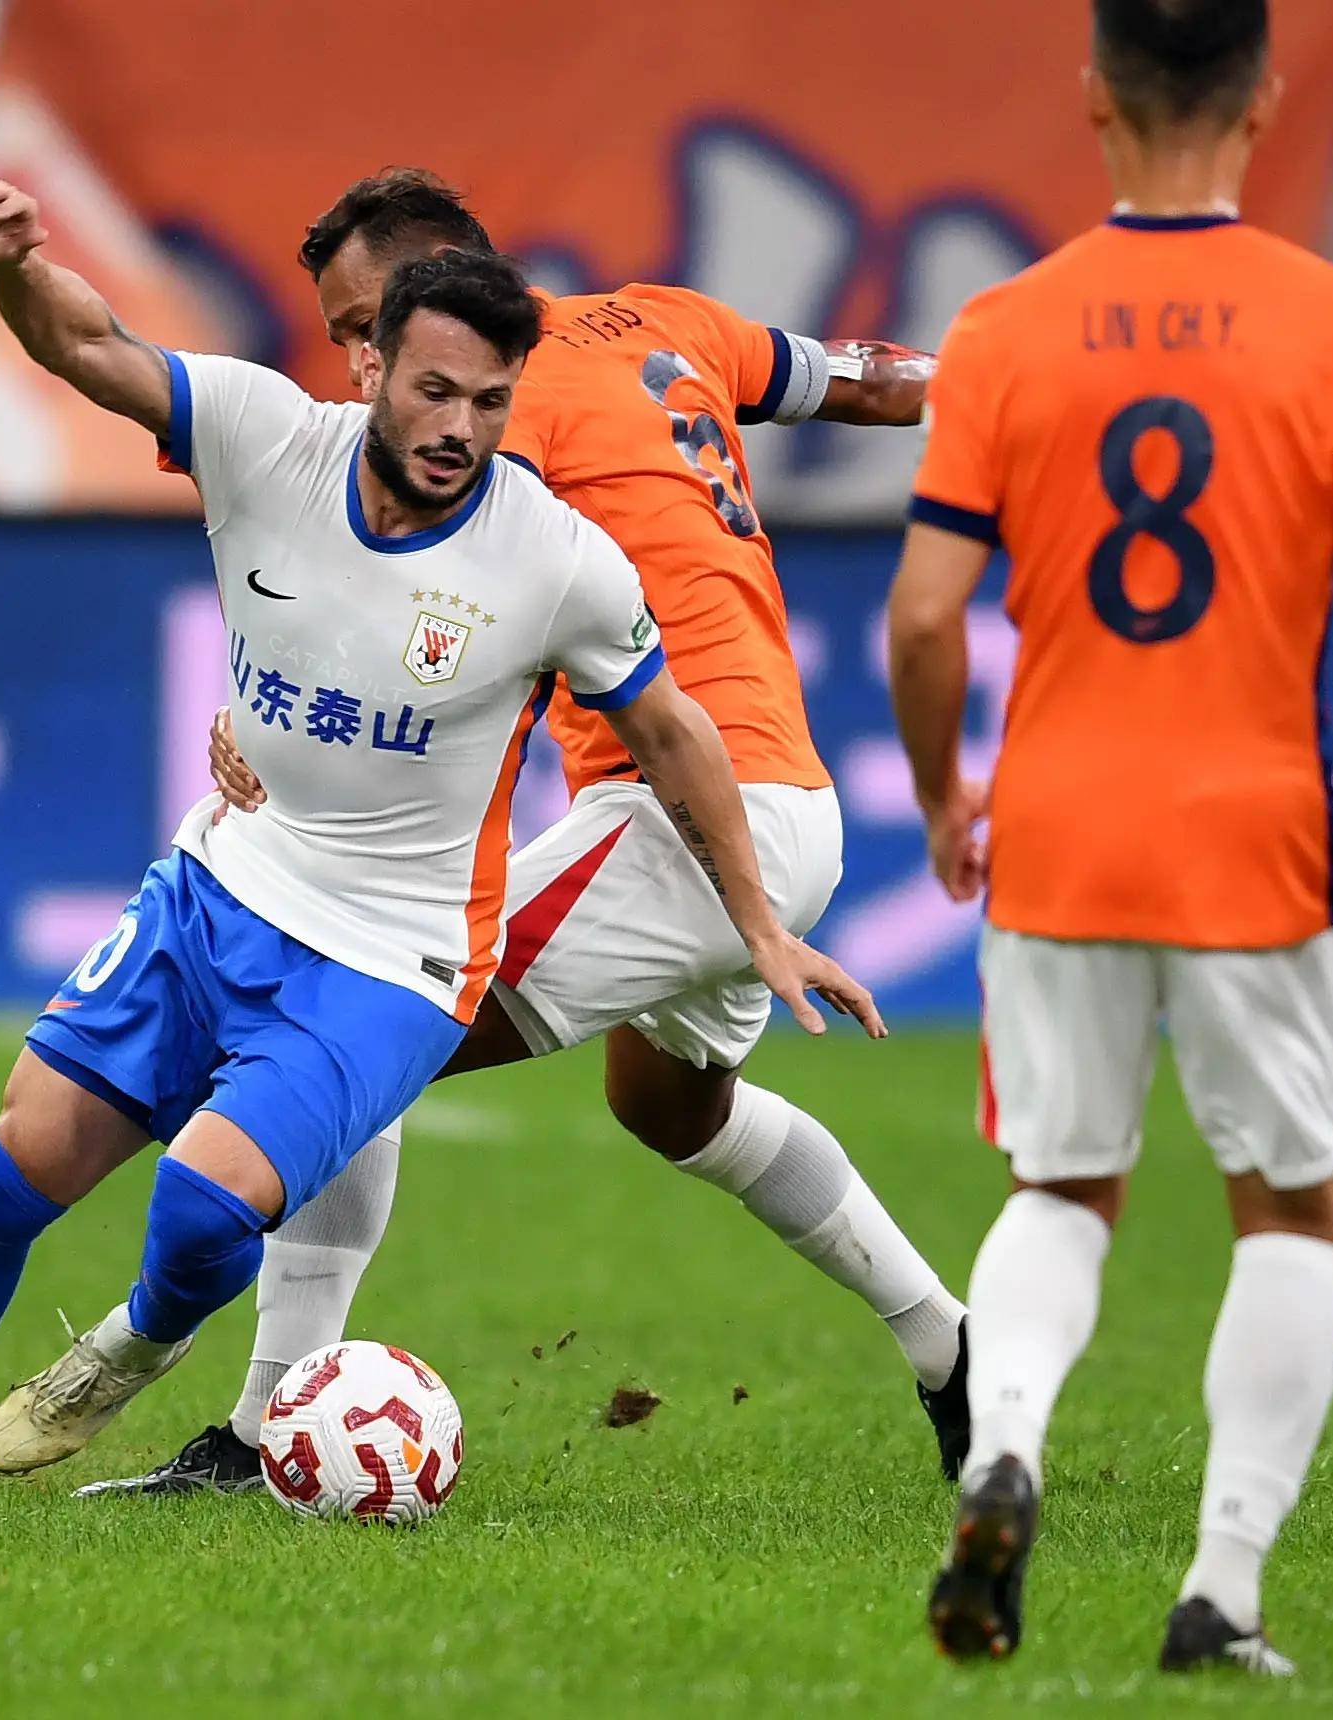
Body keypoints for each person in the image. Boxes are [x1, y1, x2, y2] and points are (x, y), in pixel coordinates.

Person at [0, 171, 879, 1499]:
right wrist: (13, 266)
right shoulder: (264, 437)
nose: (459, 429)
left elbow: (675, 732)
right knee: (15, 1165)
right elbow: (85, 343)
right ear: (371, 365)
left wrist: (760, 923)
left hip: (391, 959)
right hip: (221, 889)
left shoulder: (559, 557)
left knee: (203, 1206)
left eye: (490, 403)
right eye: (434, 391)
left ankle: (142, 1341)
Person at [81, 170, 972, 1500]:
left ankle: (263, 1430)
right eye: (350, 339)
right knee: (669, 1107)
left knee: (361, 1015)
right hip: (781, 801)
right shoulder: (663, 321)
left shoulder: (488, 428)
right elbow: (872, 382)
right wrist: (1015, 389)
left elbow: (383, 605)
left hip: (685, 813)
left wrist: (261, 726)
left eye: (367, 325)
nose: (364, 364)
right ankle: (954, 1347)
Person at [891, 0, 1333, 1676]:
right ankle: (1219, 1594)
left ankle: (1005, 1447)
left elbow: (924, 616)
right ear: (1266, 100)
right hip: (1261, 835)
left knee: (1063, 1184)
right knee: (1290, 1209)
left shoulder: (1004, 328)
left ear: (1095, 99)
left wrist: (942, 796)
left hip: (1060, 826)